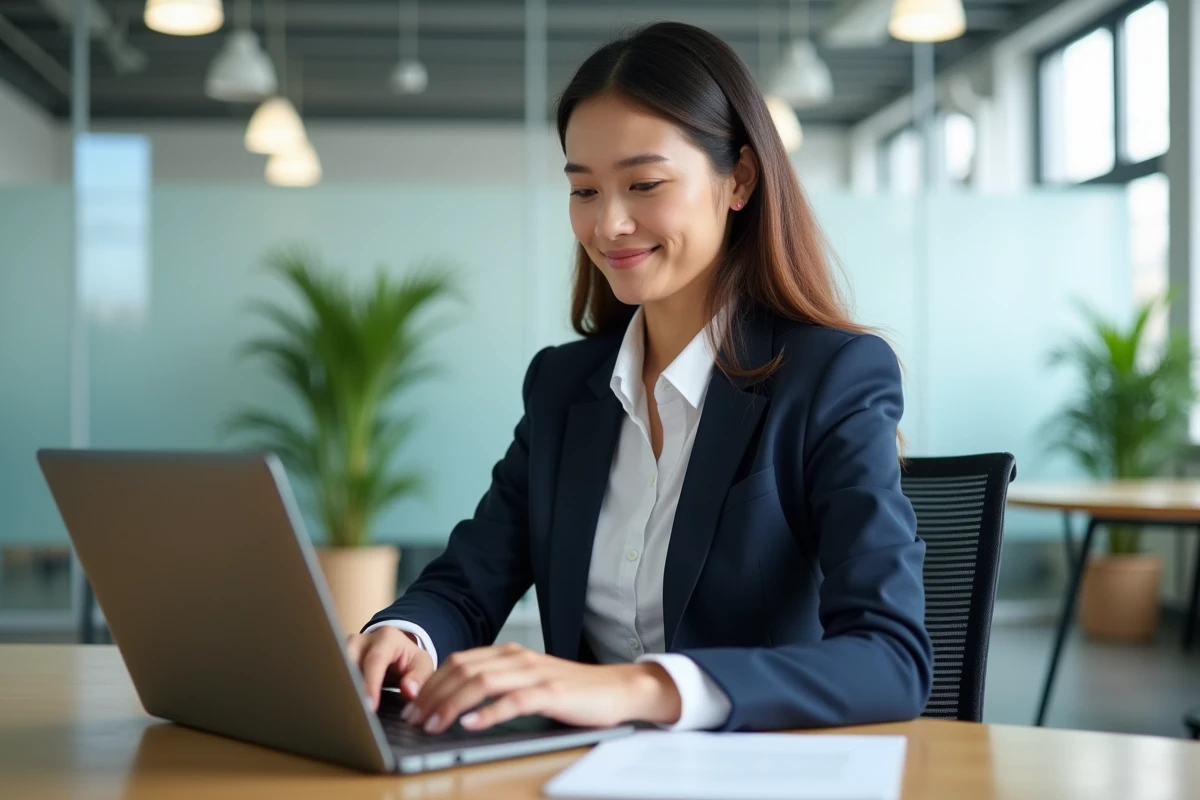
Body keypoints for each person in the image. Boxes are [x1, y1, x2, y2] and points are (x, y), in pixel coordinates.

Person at [346, 21, 932, 735]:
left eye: (643, 184)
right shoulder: (564, 388)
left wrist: (636, 689)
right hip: (578, 772)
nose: (609, 223)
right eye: (584, 190)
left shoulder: (831, 376)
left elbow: (890, 660)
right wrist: (406, 636)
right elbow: (467, 585)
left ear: (740, 179)